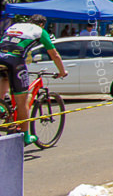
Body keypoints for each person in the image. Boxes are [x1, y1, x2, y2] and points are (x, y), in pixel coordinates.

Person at [0, 15, 68, 144]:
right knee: (23, 102)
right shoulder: (40, 31)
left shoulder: (14, 26)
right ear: (42, 24)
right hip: (15, 61)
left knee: (4, 77)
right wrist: (62, 72)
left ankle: (1, 106)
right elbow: (54, 54)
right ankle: (25, 136)